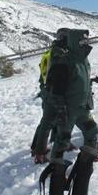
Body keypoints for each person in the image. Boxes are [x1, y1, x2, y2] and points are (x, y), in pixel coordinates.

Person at [34, 29, 98, 195]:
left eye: (86, 40)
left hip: (82, 108)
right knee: (62, 140)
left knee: (92, 131)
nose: (85, 42)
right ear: (74, 42)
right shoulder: (64, 62)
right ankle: (57, 171)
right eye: (82, 41)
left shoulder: (83, 60)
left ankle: (87, 162)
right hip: (68, 109)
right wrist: (60, 109)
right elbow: (56, 90)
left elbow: (83, 82)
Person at [31, 28, 69, 160]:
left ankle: (38, 148)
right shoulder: (59, 52)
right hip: (52, 91)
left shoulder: (52, 51)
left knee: (48, 120)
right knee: (49, 120)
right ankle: (40, 152)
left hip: (47, 89)